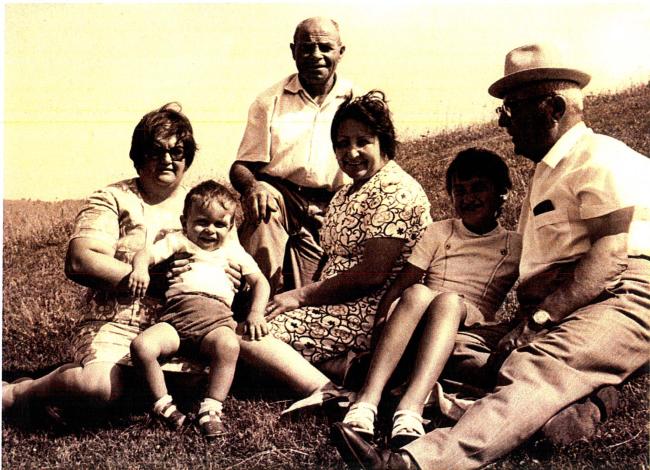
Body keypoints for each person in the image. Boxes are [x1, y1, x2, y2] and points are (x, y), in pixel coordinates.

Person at [331, 42, 650, 470]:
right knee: (446, 341)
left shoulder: (599, 157)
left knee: (536, 364)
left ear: (552, 107)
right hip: (569, 302)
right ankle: (580, 399)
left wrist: (537, 321)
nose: (502, 121)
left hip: (620, 296)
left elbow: (610, 257)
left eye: (512, 108)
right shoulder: (549, 170)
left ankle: (414, 462)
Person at [2, 103, 220, 417]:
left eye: (178, 151)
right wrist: (151, 281)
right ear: (138, 154)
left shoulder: (203, 205)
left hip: (181, 326)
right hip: (117, 321)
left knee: (209, 378)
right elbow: (81, 260)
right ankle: (19, 393)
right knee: (98, 387)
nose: (167, 159)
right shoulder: (114, 198)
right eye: (156, 150)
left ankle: (133, 390)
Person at [238, 90, 432, 405]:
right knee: (254, 335)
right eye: (342, 144)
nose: (351, 153)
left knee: (246, 338)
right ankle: (345, 368)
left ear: (383, 140)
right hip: (333, 302)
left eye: (362, 142)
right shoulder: (346, 192)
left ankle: (327, 393)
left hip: (371, 310)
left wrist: (299, 296)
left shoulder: (395, 190)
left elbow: (372, 274)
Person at [340, 149, 521, 448]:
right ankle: (367, 400)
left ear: (502, 193)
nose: (468, 197)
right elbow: (402, 285)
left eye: (479, 188)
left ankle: (410, 407)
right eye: (459, 191)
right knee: (418, 291)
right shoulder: (439, 232)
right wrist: (381, 327)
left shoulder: (515, 244)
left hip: (470, 320)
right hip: (421, 312)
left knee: (448, 300)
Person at [127, 180, 270, 437]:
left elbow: (260, 281)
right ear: (185, 222)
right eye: (201, 222)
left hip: (215, 322)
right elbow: (145, 254)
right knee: (142, 346)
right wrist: (140, 269)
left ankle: (212, 408)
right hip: (175, 319)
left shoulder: (233, 251)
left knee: (228, 346)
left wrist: (256, 312)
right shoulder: (178, 241)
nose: (210, 230)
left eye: (219, 224)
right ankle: (163, 406)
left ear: (230, 226)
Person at [230, 16, 355, 295]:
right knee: (265, 207)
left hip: (334, 204)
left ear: (340, 52)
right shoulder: (268, 101)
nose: (316, 56)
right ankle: (250, 308)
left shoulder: (356, 100)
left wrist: (342, 210)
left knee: (306, 293)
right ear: (293, 51)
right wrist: (253, 186)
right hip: (281, 199)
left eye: (325, 48)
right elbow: (241, 166)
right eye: (306, 48)